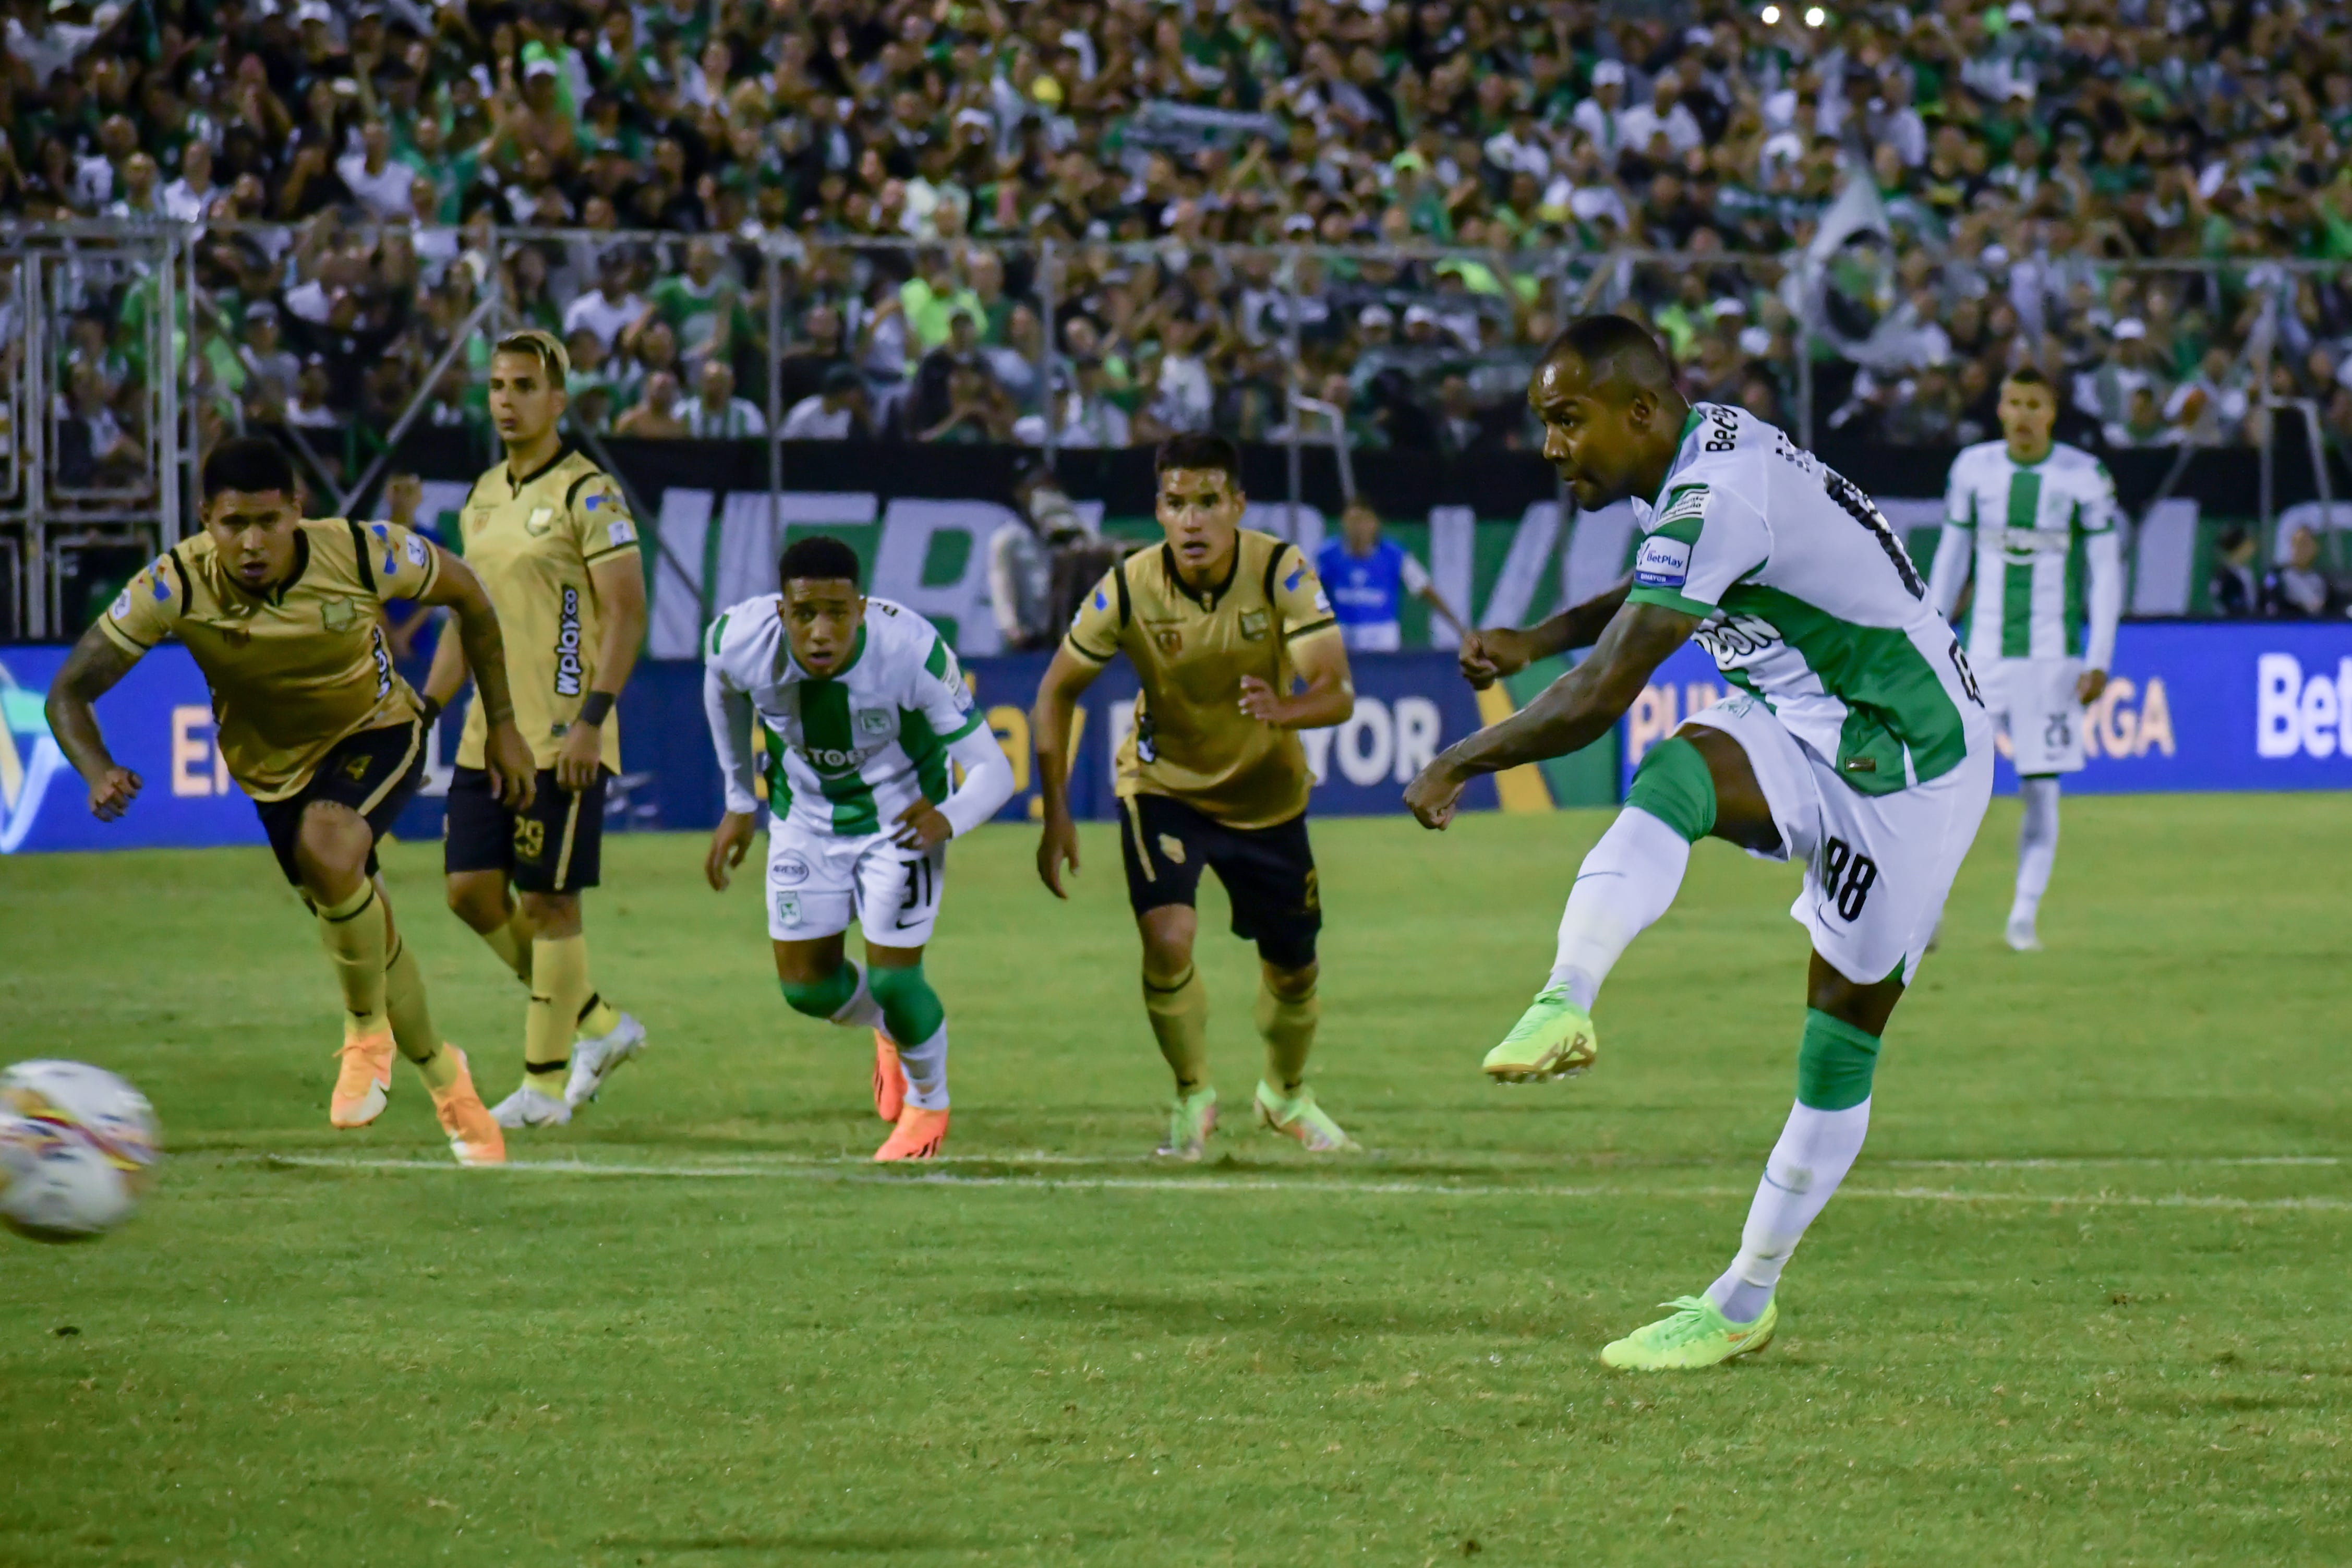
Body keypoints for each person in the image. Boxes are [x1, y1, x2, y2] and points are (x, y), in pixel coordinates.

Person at [1406, 317, 1992, 1370]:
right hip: (1802, 716)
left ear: (1637, 412)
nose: (1550, 446)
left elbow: (1599, 695)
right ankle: (1564, 997)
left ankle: (1740, 1299)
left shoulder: (1717, 494)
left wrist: (1458, 760)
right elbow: (1656, 583)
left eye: (1565, 420)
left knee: (1838, 1040)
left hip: (1907, 761)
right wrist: (1538, 637)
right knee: (1675, 770)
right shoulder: (1688, 457)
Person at [43, 436, 528, 1165]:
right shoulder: (174, 585)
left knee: (329, 846)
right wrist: (97, 768)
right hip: (274, 776)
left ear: (297, 511)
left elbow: (470, 596)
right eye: (233, 523)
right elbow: (68, 692)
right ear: (206, 519)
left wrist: (505, 726)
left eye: (267, 521)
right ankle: (445, 1079)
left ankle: (365, 1035)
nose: (251, 543)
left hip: (378, 728)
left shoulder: (363, 552)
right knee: (368, 926)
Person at [1032, 433, 1360, 1160]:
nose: (1192, 520)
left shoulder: (1280, 569)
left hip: (1267, 798)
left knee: (1295, 970)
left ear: (1238, 505)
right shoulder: (1127, 587)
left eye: (1208, 502)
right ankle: (1192, 1095)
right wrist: (1056, 812)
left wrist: (1284, 709)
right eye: (1176, 503)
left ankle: (1284, 1094)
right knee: (1167, 938)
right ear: (1158, 510)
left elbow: (1336, 690)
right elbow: (1055, 692)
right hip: (1163, 787)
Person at [701, 535, 1016, 1161]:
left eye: (837, 614)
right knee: (805, 989)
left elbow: (994, 770)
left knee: (897, 980)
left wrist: (947, 818)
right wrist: (739, 802)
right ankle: (889, 1030)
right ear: (781, 611)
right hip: (803, 819)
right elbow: (720, 688)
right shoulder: (738, 641)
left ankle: (927, 1107)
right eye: (804, 614)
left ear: (862, 609)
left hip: (901, 820)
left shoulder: (912, 651)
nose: (821, 632)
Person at [421, 330, 650, 1129]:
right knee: (469, 892)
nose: (507, 401)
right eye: (497, 386)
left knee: (551, 902)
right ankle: (596, 1022)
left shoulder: (592, 494)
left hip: (561, 735)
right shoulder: (482, 495)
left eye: (524, 386)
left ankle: (544, 1090)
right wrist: (425, 708)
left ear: (558, 400)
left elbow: (626, 613)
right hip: (488, 735)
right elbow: (467, 619)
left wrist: (592, 720)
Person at [1928, 366, 2121, 952]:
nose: (2023, 416)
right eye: (2013, 403)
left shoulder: (2083, 477)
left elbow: (2106, 571)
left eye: (2035, 405)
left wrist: (2099, 656)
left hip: (2051, 663)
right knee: (1950, 787)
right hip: (1979, 659)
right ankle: (1926, 913)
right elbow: (1951, 557)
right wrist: (1930, 635)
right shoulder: (1973, 469)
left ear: (2053, 412)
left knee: (2040, 789)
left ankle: (2022, 918)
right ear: (2000, 409)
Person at [1314, 497, 1467, 653]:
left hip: (1381, 639)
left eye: (1364, 521)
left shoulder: (1395, 556)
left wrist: (1458, 627)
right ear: (1344, 522)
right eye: (1354, 521)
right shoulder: (1327, 555)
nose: (1358, 528)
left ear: (1375, 524)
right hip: (1343, 637)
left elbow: (1426, 589)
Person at [780, 364, 872, 440]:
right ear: (841, 392)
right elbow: (785, 443)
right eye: (855, 392)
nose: (859, 397)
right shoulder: (806, 412)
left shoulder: (845, 414)